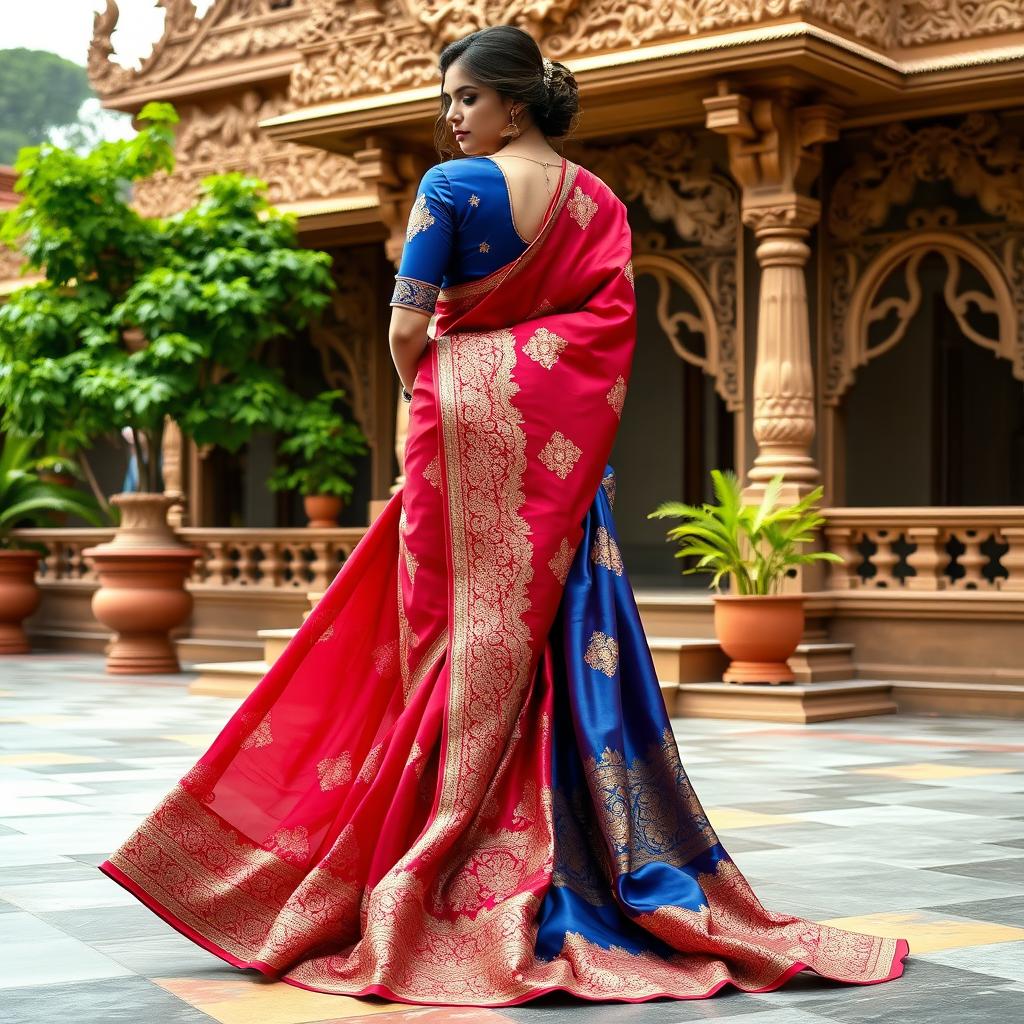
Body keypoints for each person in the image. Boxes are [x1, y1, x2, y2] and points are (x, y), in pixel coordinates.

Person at [99, 24, 909, 1007]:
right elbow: (604, 331)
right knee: (550, 645)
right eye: (448, 100)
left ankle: (419, 859)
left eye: (464, 100)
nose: (450, 116)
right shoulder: (599, 204)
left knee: (439, 646)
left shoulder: (449, 190)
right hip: (555, 474)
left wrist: (442, 382)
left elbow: (406, 322)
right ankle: (567, 862)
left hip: (452, 446)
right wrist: (515, 384)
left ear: (510, 104)